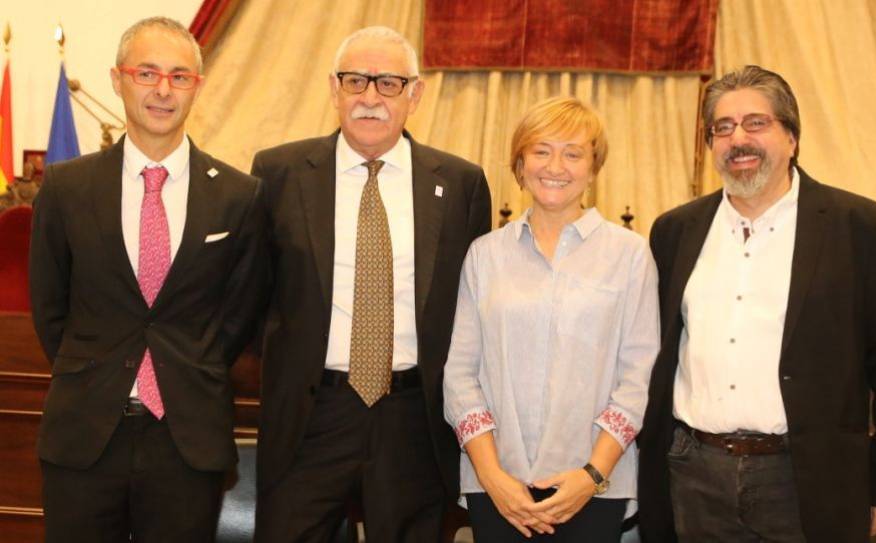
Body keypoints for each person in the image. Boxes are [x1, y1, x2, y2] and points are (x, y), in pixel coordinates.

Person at [637, 65, 876, 543]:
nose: (738, 140)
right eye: (723, 128)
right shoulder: (674, 231)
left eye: (757, 123)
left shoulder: (858, 227)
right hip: (693, 474)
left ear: (792, 136)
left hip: (806, 479)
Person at [29, 16, 266, 542]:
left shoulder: (238, 195)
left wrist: (184, 368)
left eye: (180, 76)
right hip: (84, 436)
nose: (163, 89)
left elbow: (239, 315)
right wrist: (99, 368)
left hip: (187, 441)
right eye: (147, 73)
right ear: (118, 79)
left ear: (197, 88)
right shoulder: (67, 187)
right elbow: (50, 308)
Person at [251, 26, 492, 542]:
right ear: (334, 89)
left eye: (388, 83)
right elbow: (252, 295)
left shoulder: (461, 185)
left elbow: (472, 310)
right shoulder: (278, 173)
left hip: (413, 417)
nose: (369, 97)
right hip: (311, 414)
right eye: (356, 80)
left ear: (415, 94)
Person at [443, 96, 660, 542]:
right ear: (520, 164)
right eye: (541, 150)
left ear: (593, 168)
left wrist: (591, 475)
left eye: (573, 153)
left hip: (594, 487)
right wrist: (493, 476)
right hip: (496, 487)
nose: (555, 165)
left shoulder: (630, 255)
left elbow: (638, 378)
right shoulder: (485, 255)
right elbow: (461, 374)